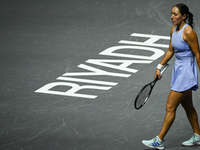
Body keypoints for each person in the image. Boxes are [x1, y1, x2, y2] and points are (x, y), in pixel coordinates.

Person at [142, 3, 200, 150]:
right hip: (178, 70)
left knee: (170, 107)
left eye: (175, 14)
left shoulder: (189, 32)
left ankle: (159, 140)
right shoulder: (173, 30)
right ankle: (198, 136)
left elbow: (198, 55)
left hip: (186, 72)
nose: (172, 17)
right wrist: (159, 67)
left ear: (184, 16)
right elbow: (170, 50)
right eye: (171, 14)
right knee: (188, 106)